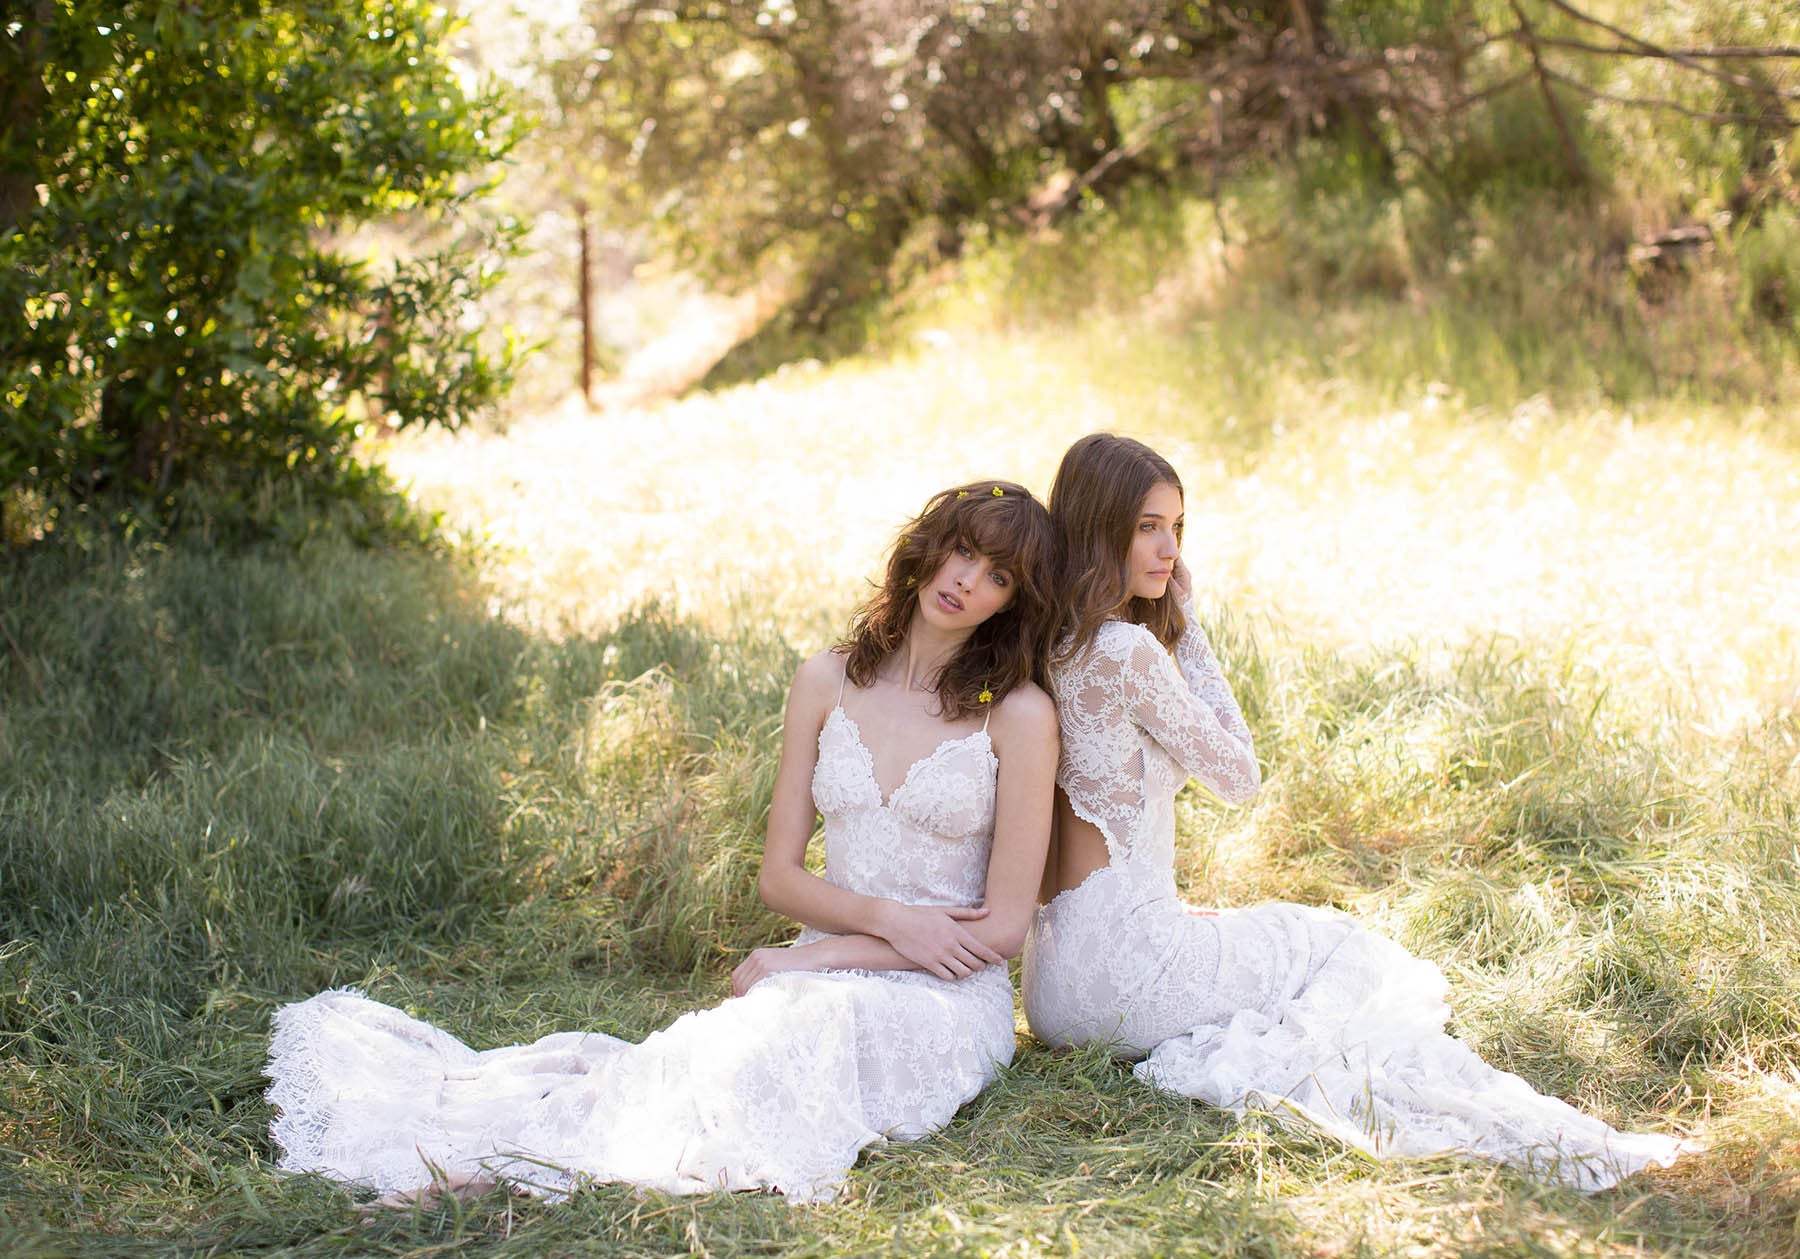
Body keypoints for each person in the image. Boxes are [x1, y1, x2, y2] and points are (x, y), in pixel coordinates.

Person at [266, 481, 1059, 1205]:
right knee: (738, 1046)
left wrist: (817, 955)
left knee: (800, 1031)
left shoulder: (1018, 714)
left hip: (945, 996)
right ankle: (517, 1156)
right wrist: (875, 923)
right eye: (963, 549)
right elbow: (779, 878)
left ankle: (529, 1171)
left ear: (1010, 604)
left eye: (997, 575)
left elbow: (998, 931)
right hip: (832, 957)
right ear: (928, 545)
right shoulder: (827, 678)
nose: (966, 578)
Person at [1021, 433, 1686, 1192]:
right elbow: (1239, 775)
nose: (1170, 548)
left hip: (1054, 979)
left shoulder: (1050, 640)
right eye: (1147, 526)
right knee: (1340, 946)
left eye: (1178, 526)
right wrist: (1189, 621)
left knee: (1276, 935)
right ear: (1098, 523)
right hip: (1121, 981)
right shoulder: (1123, 651)